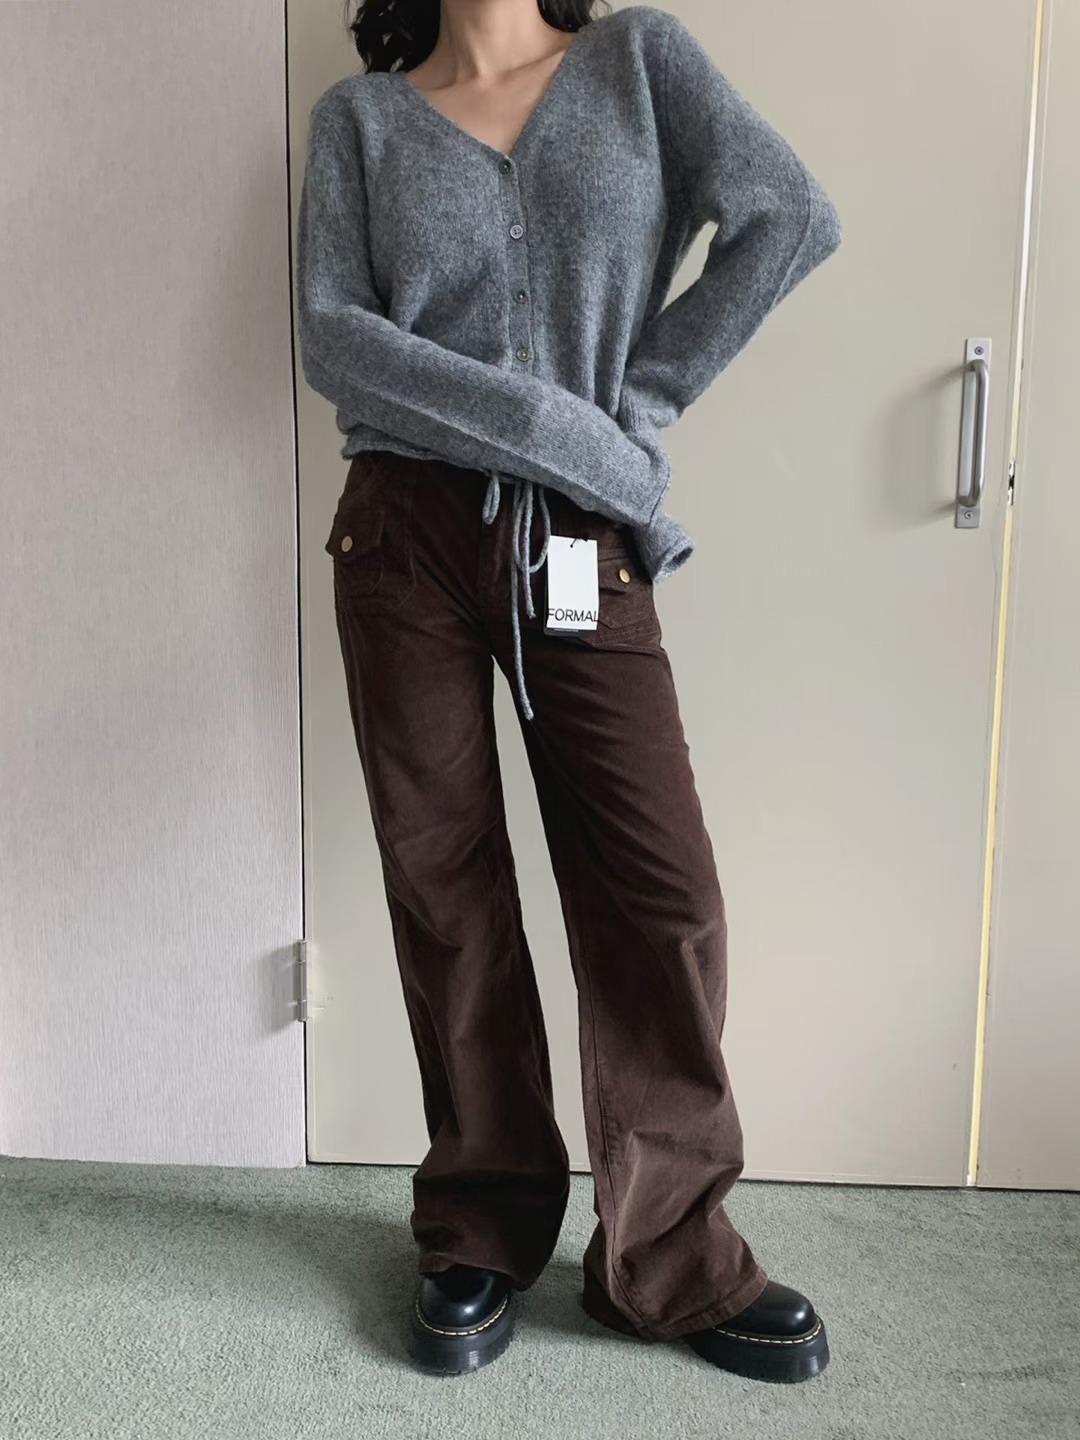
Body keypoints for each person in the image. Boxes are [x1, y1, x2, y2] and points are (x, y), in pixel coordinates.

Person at [296, 0, 841, 1383]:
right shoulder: (360, 119)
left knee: (664, 892)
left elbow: (789, 216)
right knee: (445, 884)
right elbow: (334, 338)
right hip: (403, 536)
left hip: (581, 546)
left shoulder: (639, 61)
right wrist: (563, 426)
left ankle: (668, 1252)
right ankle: (480, 1225)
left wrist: (637, 410)